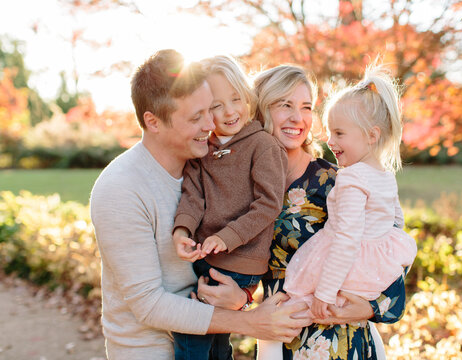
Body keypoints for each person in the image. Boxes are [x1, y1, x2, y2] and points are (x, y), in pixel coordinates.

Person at [90, 49, 310, 360]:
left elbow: (244, 254)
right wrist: (250, 321)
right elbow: (149, 305)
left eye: (211, 110)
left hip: (212, 340)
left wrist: (241, 298)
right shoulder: (121, 188)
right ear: (153, 122)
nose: (212, 123)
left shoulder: (209, 165)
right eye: (197, 117)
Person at [258, 63, 417, 360]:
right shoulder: (243, 184)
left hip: (336, 335)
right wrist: (237, 296)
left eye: (306, 107)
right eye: (285, 105)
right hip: (276, 333)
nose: (297, 117)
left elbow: (390, 248)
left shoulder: (339, 178)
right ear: (261, 109)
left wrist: (371, 307)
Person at [170, 55, 287, 359]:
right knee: (215, 337)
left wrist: (227, 237)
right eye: (216, 106)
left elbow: (268, 204)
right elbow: (193, 195)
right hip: (211, 256)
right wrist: (182, 229)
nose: (229, 111)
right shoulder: (203, 149)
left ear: (247, 96)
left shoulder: (262, 145)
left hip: (241, 260)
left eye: (235, 98)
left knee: (191, 328)